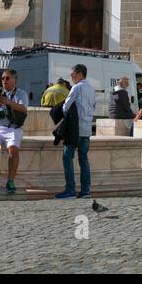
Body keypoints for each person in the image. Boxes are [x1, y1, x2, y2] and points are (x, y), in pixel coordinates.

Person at [55, 64, 95, 199]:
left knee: (67, 158)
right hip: (87, 129)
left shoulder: (76, 88)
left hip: (74, 129)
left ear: (79, 74)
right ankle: (85, 191)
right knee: (84, 160)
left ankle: (70, 190)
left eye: (72, 74)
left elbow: (66, 107)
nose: (71, 77)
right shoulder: (91, 88)